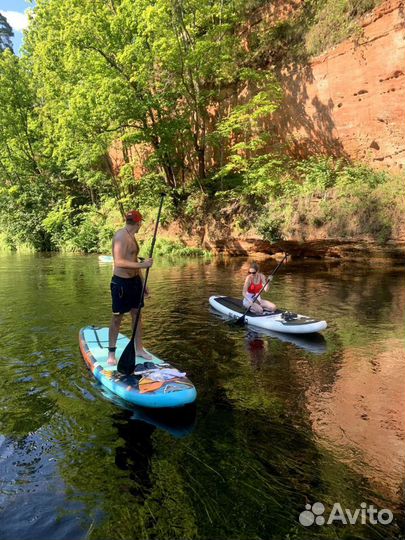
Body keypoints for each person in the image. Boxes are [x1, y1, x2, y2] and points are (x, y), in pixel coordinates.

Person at [107, 209, 153, 365]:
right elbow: (118, 262)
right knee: (117, 317)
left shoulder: (131, 236)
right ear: (139, 223)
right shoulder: (120, 236)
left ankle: (139, 349)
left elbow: (132, 260)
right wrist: (143, 264)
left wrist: (143, 283)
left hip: (135, 282)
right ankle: (111, 354)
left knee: (137, 315)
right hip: (120, 283)